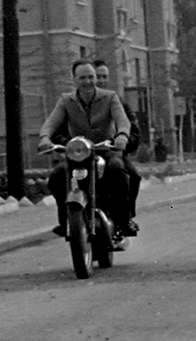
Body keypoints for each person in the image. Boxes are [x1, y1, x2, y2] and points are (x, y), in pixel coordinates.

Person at [40, 60, 134, 246]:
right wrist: (44, 138)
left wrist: (122, 135)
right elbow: (51, 122)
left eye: (91, 77)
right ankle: (65, 220)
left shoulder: (110, 97)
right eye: (82, 78)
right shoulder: (66, 100)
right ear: (74, 80)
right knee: (58, 175)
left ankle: (124, 221)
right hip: (79, 151)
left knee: (117, 169)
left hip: (105, 149)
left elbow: (122, 120)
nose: (88, 82)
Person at [94, 60, 140, 234]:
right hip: (84, 154)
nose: (101, 80)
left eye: (104, 76)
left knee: (132, 176)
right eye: (97, 76)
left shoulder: (117, 101)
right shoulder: (75, 101)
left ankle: (125, 218)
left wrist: (123, 143)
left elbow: (133, 128)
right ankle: (70, 219)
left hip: (113, 152)